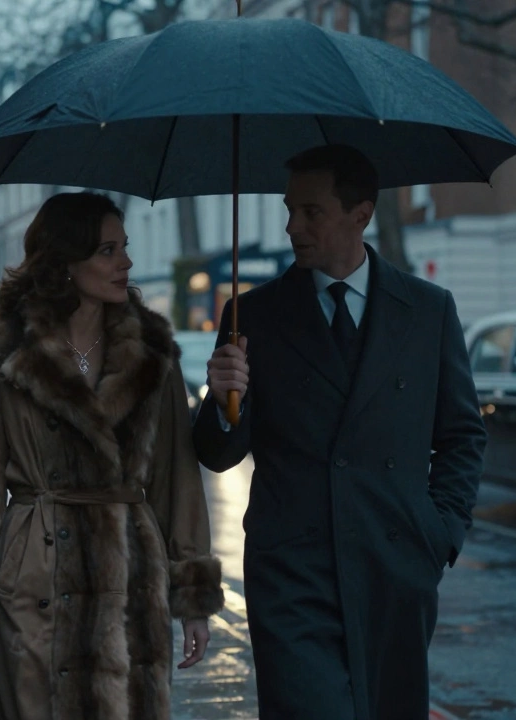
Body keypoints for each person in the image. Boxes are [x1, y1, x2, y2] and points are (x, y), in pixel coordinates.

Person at [192, 145, 486, 719]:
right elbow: (217, 452)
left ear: (361, 214)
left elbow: (462, 437)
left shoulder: (427, 310)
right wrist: (224, 400)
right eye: (288, 209)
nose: (291, 226)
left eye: (311, 212)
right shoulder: (252, 315)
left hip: (395, 564)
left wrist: (440, 533)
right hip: (292, 574)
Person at [0, 192, 223, 719]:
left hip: (129, 579)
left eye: (124, 248)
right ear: (64, 262)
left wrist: (192, 598)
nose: (125, 263)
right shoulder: (7, 353)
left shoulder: (153, 354)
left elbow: (178, 481)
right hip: (32, 580)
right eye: (108, 250)